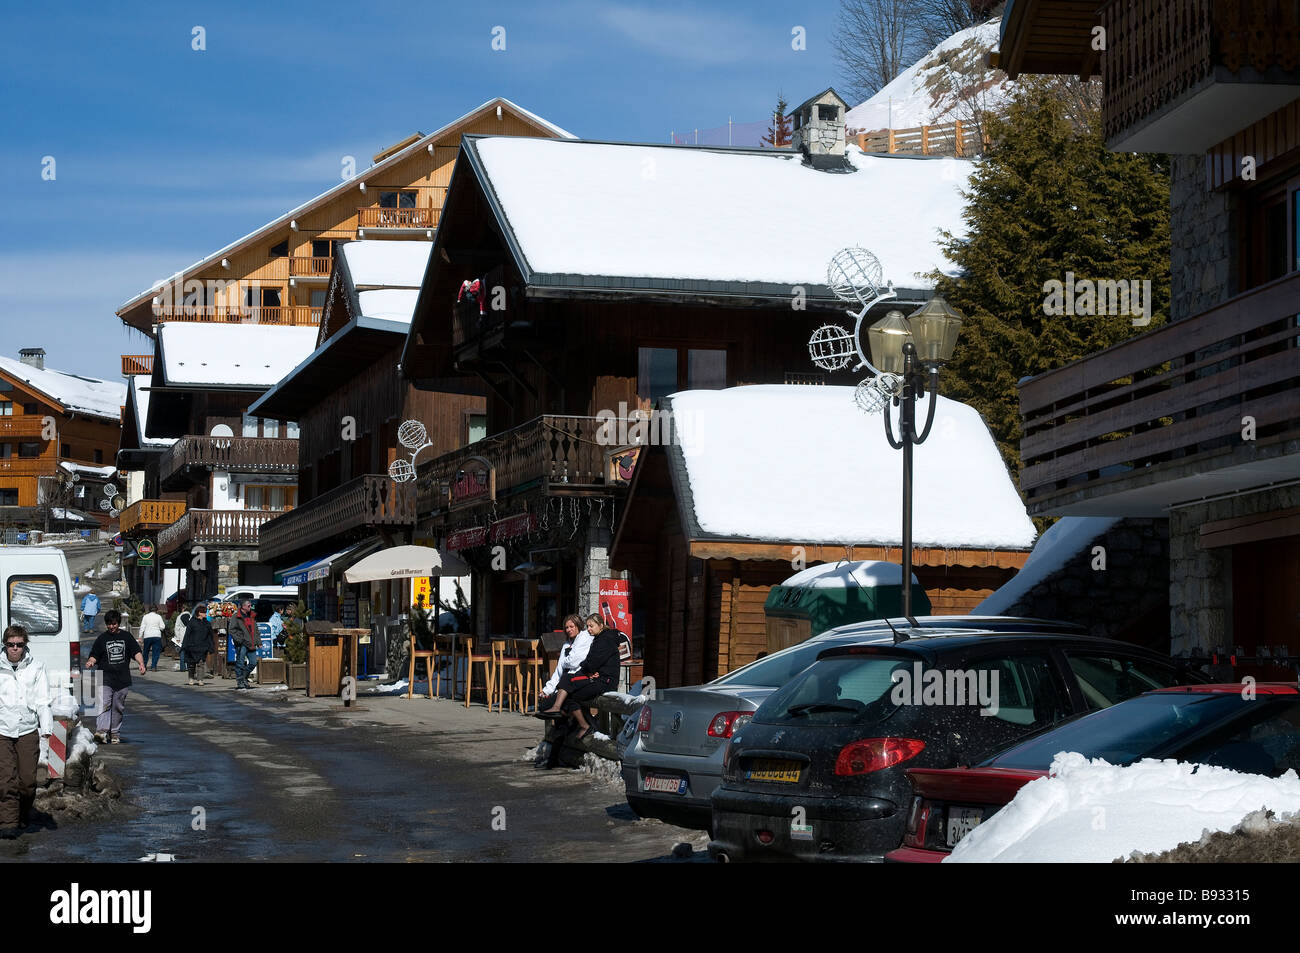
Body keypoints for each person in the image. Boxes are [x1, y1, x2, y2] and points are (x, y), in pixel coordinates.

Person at [0, 625, 52, 838]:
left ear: (25, 645)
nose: (14, 648)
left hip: (27, 730)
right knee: (5, 781)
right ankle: (7, 823)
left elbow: (43, 700)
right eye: (10, 644)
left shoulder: (37, 667)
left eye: (19, 645)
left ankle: (22, 815)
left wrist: (46, 727)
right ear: (5, 645)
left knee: (27, 782)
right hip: (2, 730)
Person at [84, 610, 145, 745]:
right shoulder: (102, 639)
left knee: (118, 707)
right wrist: (91, 661)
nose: (112, 627)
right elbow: (95, 654)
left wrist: (141, 663)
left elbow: (136, 652)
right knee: (103, 704)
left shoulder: (127, 637)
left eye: (114, 624)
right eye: (109, 624)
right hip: (105, 677)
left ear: (118, 623)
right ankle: (101, 732)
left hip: (122, 679)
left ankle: (115, 733)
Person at [535, 615, 591, 718]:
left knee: (562, 703)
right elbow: (559, 669)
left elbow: (574, 662)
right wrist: (547, 689)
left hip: (580, 681)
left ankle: (582, 726)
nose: (569, 630)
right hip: (565, 684)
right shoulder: (566, 644)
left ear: (578, 626)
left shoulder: (585, 638)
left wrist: (566, 661)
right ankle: (564, 730)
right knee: (544, 706)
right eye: (566, 627)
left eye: (571, 626)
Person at [228, 599, 260, 691]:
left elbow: (256, 630)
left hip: (251, 643)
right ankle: (240, 682)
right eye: (249, 606)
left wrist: (259, 642)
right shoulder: (236, 616)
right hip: (242, 644)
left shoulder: (252, 615)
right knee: (240, 663)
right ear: (243, 606)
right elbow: (232, 630)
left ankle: (244, 678)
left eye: (251, 605)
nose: (251, 607)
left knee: (253, 662)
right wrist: (240, 639)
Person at [181, 605, 214, 686]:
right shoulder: (192, 622)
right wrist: (184, 646)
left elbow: (210, 636)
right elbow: (187, 634)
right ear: (199, 613)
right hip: (192, 646)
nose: (206, 614)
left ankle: (200, 680)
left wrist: (211, 646)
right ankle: (191, 678)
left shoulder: (207, 623)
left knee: (201, 664)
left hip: (203, 646)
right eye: (204, 612)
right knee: (191, 664)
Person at [138, 603, 166, 672]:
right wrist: (158, 627)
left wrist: (140, 637)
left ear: (149, 610)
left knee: (146, 651)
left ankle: (144, 665)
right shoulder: (158, 617)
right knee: (156, 652)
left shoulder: (145, 616)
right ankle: (153, 666)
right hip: (156, 635)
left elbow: (142, 627)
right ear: (156, 610)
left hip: (147, 636)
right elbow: (163, 627)